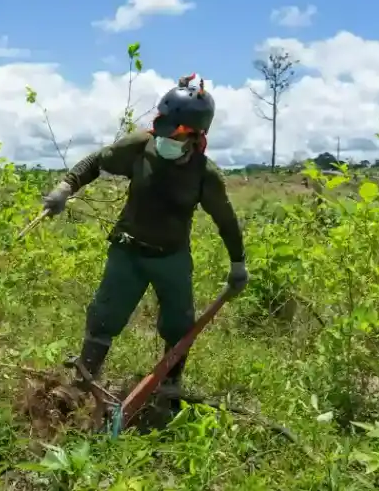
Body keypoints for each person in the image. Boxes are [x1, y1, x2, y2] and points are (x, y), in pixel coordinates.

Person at [42, 74, 249, 393]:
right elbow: (98, 160)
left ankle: (169, 387)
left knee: (179, 325)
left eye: (177, 132)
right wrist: (65, 187)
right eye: (164, 125)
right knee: (103, 317)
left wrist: (238, 264)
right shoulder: (140, 146)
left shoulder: (204, 175)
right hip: (129, 251)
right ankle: (82, 383)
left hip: (172, 257)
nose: (166, 136)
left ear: (194, 136)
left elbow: (226, 220)